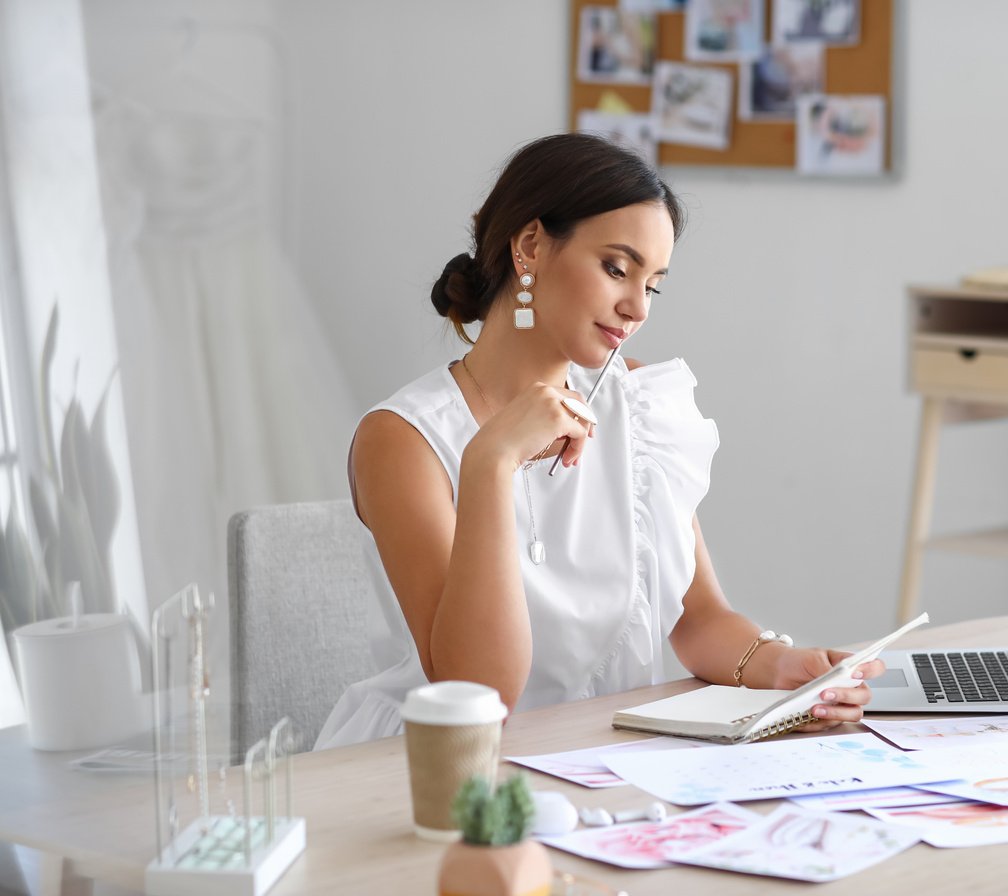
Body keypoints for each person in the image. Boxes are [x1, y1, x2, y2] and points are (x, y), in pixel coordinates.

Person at [315, 133, 881, 749]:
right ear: (531, 245)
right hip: (445, 766)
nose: (637, 307)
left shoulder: (639, 404)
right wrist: (492, 462)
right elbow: (480, 692)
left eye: (654, 284)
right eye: (617, 268)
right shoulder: (404, 438)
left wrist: (782, 668)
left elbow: (700, 620)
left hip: (611, 754)